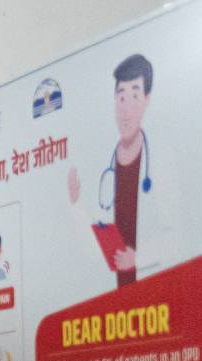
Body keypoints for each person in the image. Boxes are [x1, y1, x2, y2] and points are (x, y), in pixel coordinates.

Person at [68, 53, 177, 287]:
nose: (126, 108)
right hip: (115, 307)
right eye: (121, 97)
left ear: (147, 100)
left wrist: (136, 259)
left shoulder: (160, 160)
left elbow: (175, 236)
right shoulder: (103, 168)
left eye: (135, 95)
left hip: (152, 301)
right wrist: (77, 205)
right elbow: (93, 249)